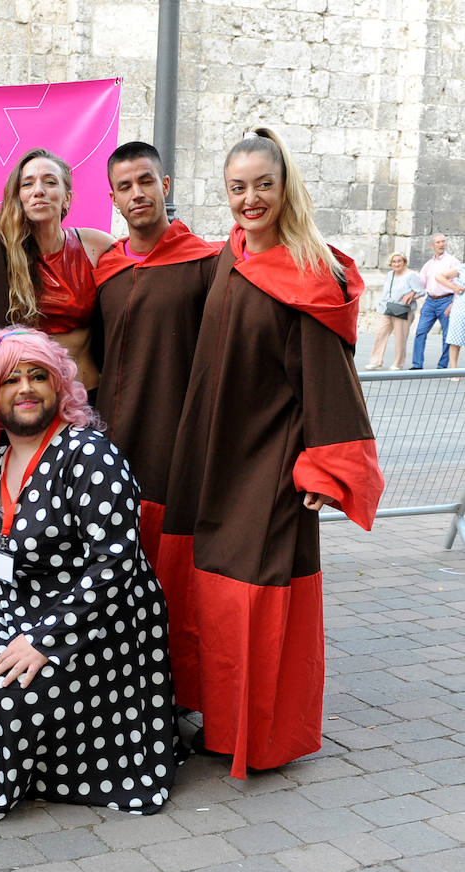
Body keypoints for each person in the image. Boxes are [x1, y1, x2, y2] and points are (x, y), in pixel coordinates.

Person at [157, 128, 384, 778]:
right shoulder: (231, 258)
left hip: (269, 465)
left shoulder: (308, 274)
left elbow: (328, 378)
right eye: (238, 187)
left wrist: (323, 465)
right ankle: (219, 722)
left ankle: (261, 736)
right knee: (210, 596)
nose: (250, 198)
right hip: (214, 455)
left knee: (256, 594)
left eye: (263, 184)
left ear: (285, 188)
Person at [0, 329, 177, 824]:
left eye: (38, 376)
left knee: (14, 685)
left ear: (59, 387)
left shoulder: (88, 454)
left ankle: (33, 773)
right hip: (19, 603)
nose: (25, 388)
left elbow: (115, 561)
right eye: (9, 380)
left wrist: (45, 639)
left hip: (98, 616)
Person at [92, 142, 220, 560]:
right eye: (125, 186)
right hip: (113, 438)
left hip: (177, 437)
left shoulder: (205, 263)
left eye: (146, 181)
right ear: (113, 199)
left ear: (164, 185)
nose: (138, 194)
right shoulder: (105, 269)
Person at [0, 149, 115, 391]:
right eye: (28, 183)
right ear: (18, 196)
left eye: (50, 182)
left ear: (66, 198)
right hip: (27, 399)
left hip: (87, 393)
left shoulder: (96, 245)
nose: (39, 191)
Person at [366, 253, 425, 371]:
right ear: (390, 263)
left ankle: (398, 363)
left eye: (399, 261)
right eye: (394, 261)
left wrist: (412, 295)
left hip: (402, 310)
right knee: (380, 334)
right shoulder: (390, 274)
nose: (397, 264)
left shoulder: (411, 275)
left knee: (400, 338)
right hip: (386, 308)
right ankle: (376, 361)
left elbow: (421, 291)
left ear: (404, 262)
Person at [411, 233, 459, 370]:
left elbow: (458, 284)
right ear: (432, 245)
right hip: (430, 301)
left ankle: (442, 366)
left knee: (447, 335)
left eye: (443, 241)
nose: (441, 244)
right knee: (420, 331)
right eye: (438, 242)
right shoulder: (428, 264)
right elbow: (421, 284)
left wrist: (453, 304)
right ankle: (417, 365)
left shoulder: (452, 261)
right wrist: (411, 295)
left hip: (447, 300)